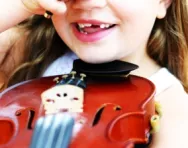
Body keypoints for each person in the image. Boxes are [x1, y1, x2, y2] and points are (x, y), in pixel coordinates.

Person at [0, 0, 188, 147]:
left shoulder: (172, 106)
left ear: (163, 1)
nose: (89, 2)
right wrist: (21, 5)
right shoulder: (31, 49)